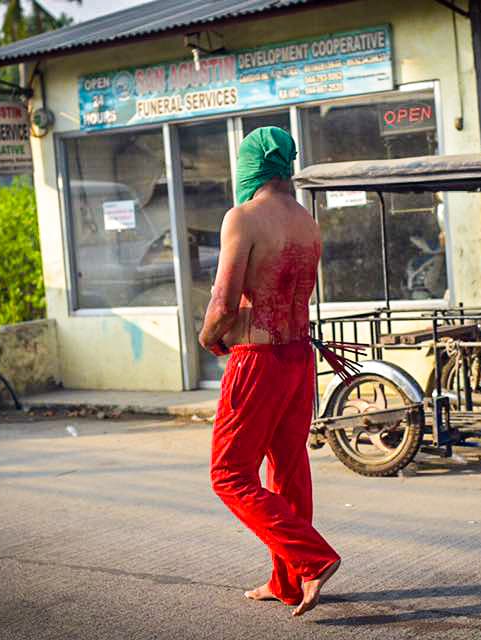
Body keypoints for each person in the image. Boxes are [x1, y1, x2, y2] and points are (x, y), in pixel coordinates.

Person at [199, 127, 340, 617]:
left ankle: (312, 560)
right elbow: (303, 293)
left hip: (257, 359)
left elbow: (222, 303)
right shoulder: (308, 222)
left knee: (229, 474)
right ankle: (287, 582)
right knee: (287, 468)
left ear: (250, 166)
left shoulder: (242, 218)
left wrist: (208, 335)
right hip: (298, 359)